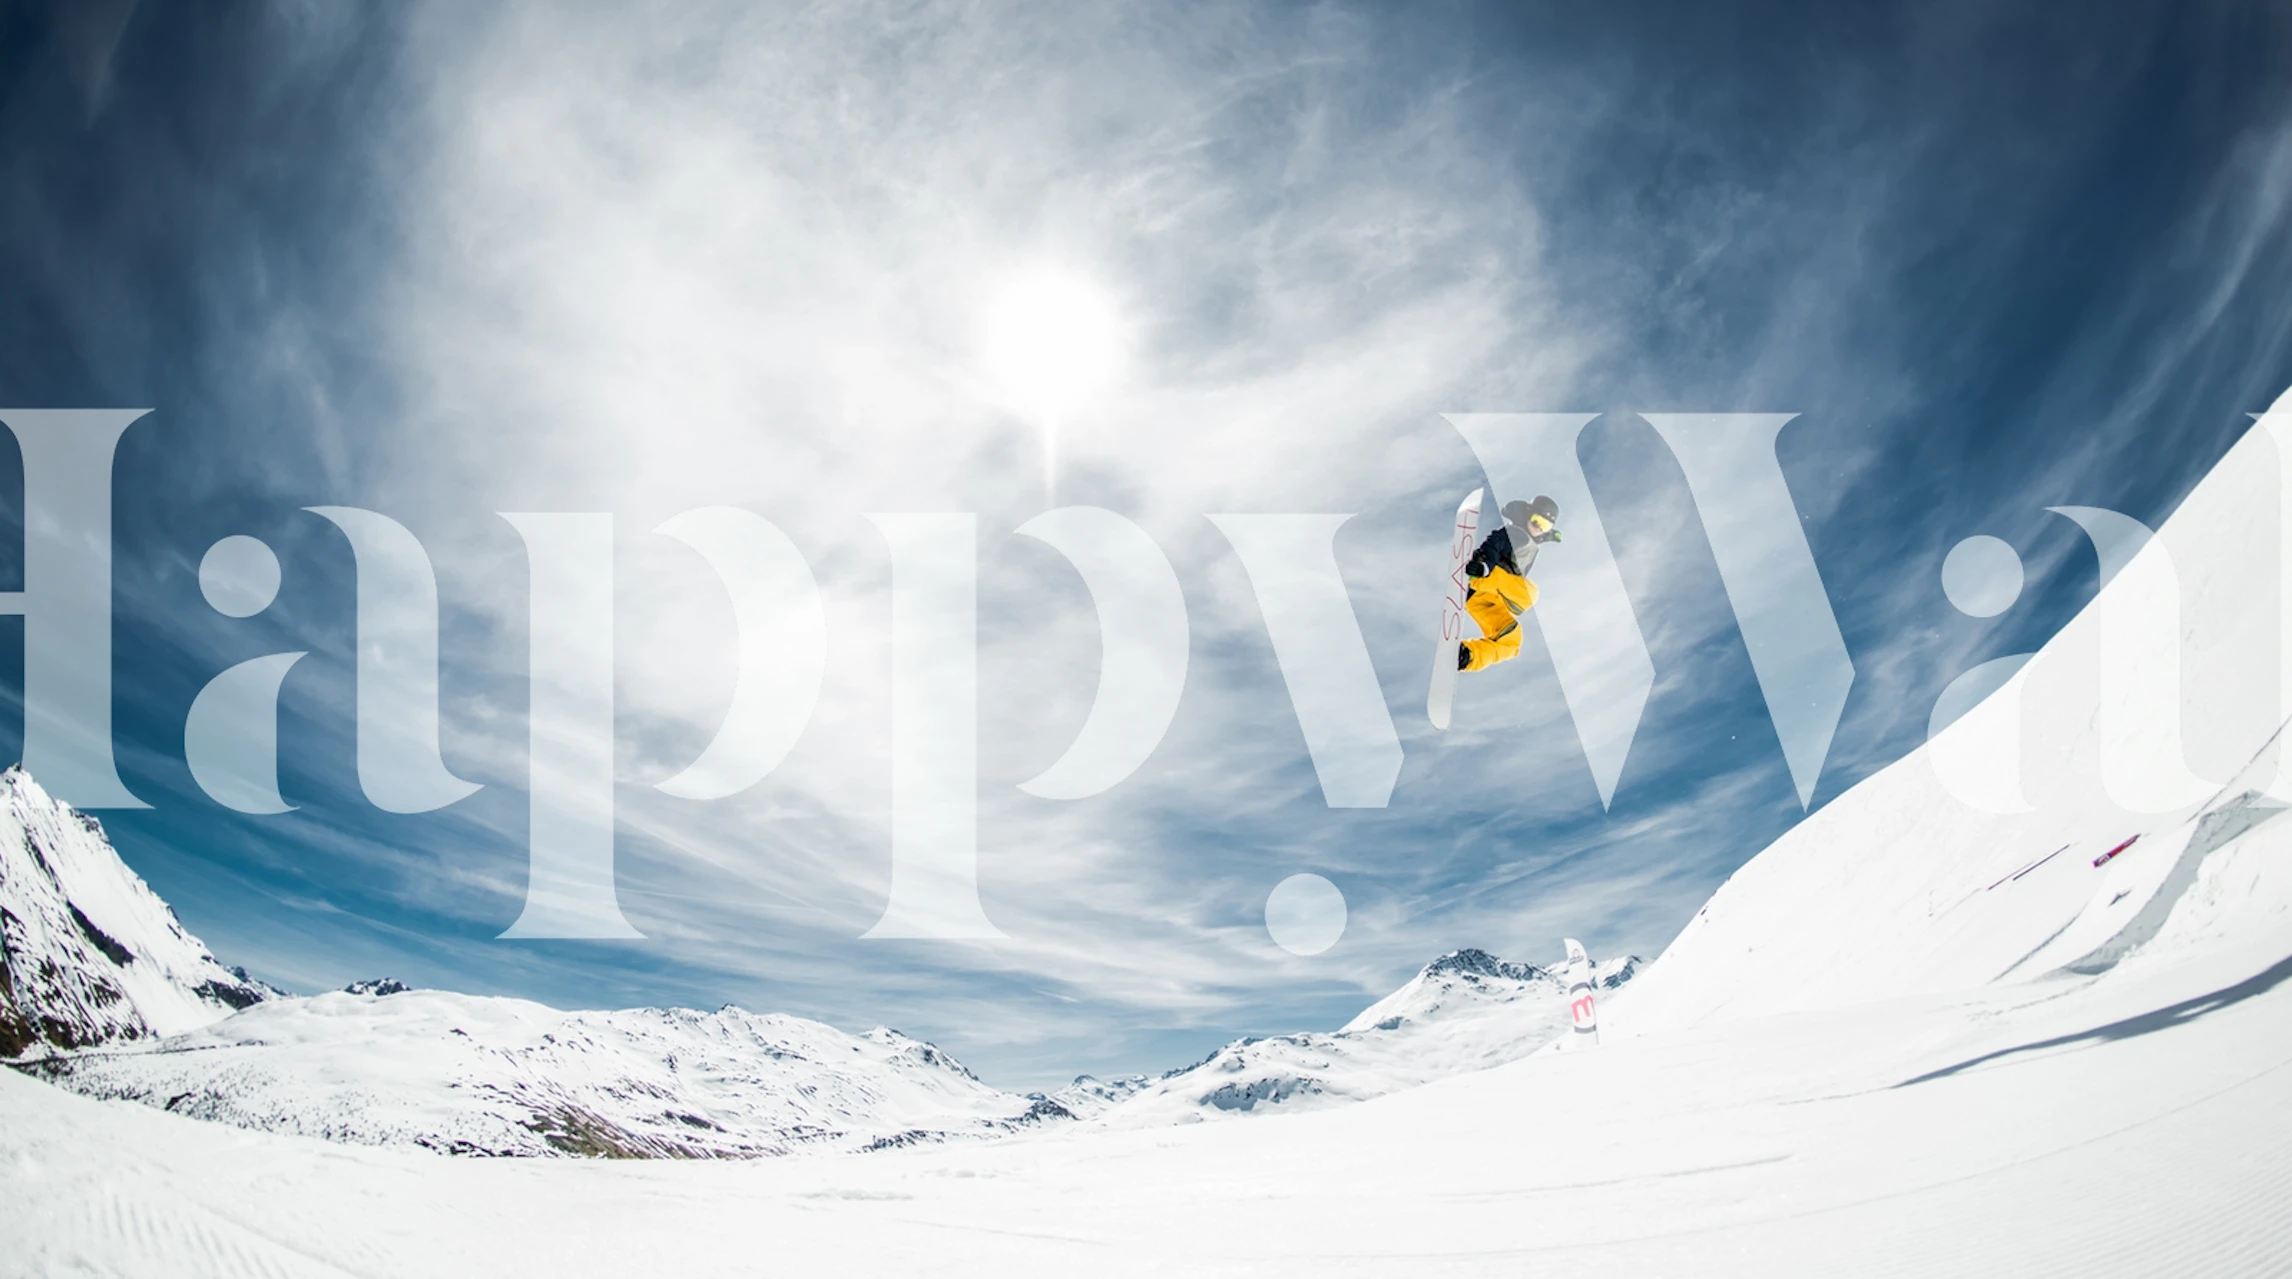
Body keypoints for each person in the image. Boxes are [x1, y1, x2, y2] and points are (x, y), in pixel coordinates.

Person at [1459, 495, 1561, 672]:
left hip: (1484, 599)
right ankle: (1481, 577)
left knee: (1512, 641)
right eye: (1536, 521)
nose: (1538, 528)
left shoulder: (1535, 536)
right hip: (1484, 580)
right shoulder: (1514, 534)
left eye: (1545, 526)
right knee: (1531, 593)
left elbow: (1542, 535)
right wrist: (1484, 567)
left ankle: (1467, 656)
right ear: (1528, 514)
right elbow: (1492, 546)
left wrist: (1552, 535)